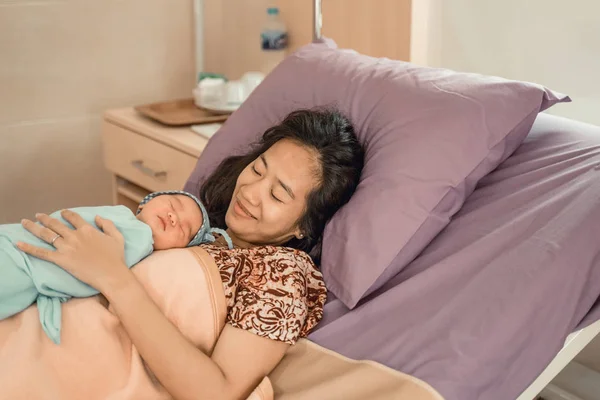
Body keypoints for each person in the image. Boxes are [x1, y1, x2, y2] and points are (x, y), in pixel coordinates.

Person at [17, 108, 364, 399]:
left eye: (278, 195)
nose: (251, 192)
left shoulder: (281, 275)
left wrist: (114, 278)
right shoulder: (195, 228)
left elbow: (217, 392)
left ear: (303, 226)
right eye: (258, 169)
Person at [0, 190, 231, 344]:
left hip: (21, 259)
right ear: (147, 201)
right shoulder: (122, 217)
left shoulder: (142, 243)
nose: (173, 217)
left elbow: (90, 274)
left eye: (184, 228)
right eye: (174, 204)